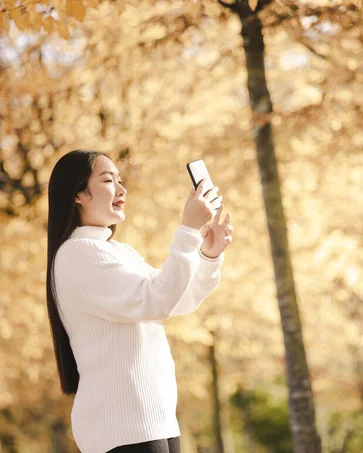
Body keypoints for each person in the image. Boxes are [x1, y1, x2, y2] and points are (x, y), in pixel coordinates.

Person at [45, 149, 233, 453]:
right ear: (78, 194)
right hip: (122, 424)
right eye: (108, 180)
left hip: (155, 417)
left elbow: (175, 300)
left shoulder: (118, 251)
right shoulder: (77, 254)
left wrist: (208, 255)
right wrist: (186, 229)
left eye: (120, 180)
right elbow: (155, 301)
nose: (122, 190)